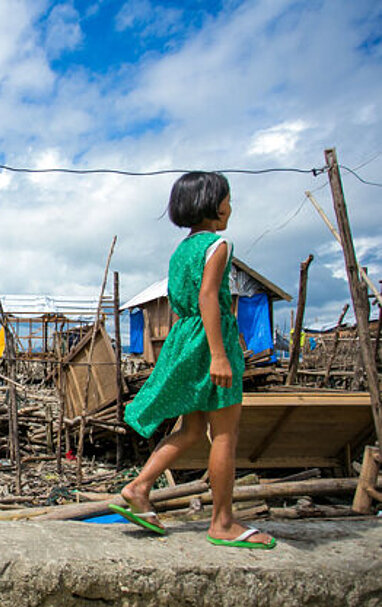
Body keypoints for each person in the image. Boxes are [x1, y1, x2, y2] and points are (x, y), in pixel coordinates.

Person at [110, 171, 276, 549]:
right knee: (225, 435)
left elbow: (192, 301)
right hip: (206, 341)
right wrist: (220, 354)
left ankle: (138, 487)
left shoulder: (181, 251)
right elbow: (207, 298)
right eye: (228, 200)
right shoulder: (218, 246)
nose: (231, 207)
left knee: (190, 430)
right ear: (214, 205)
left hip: (186, 337)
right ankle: (222, 522)